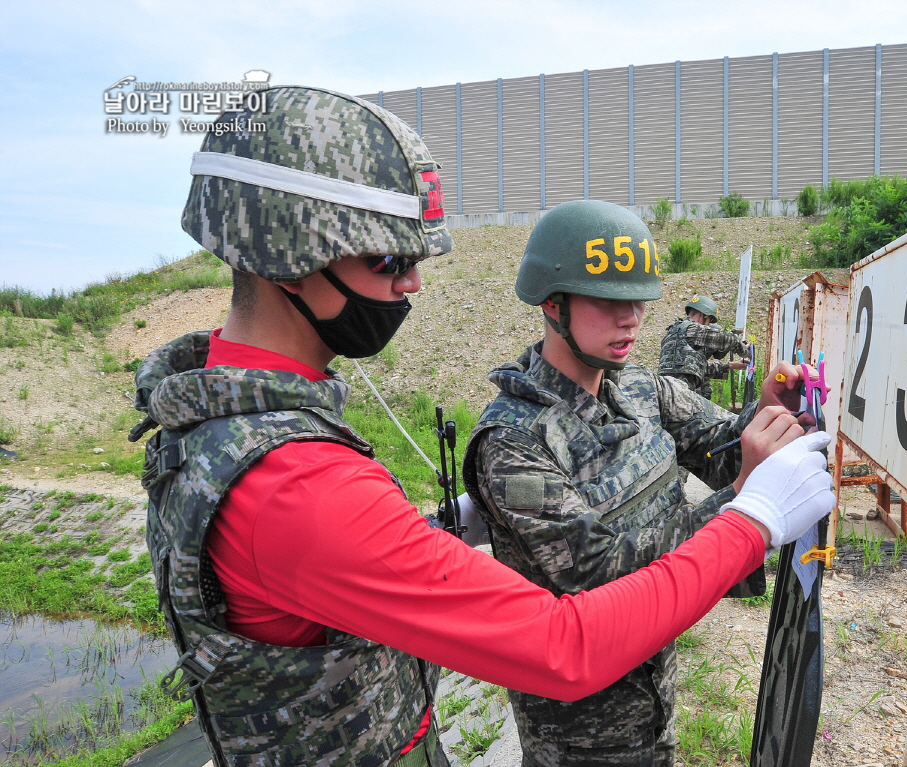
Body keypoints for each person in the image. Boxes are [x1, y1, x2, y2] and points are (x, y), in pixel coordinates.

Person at [136, 86, 836, 767]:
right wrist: (753, 516)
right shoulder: (298, 484)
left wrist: (410, 544)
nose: (411, 284)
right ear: (289, 253)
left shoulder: (223, 423)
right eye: (388, 259)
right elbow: (565, 645)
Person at [461, 200, 819, 767]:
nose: (630, 318)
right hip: (580, 731)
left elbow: (721, 444)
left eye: (638, 301)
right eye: (609, 301)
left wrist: (766, 411)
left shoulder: (640, 390)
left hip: (655, 693)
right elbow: (605, 579)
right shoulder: (514, 441)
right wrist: (745, 500)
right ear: (554, 305)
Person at [658, 295, 751, 401]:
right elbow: (730, 339)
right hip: (681, 398)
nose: (708, 326)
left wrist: (731, 365)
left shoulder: (672, 333)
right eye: (709, 321)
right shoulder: (692, 329)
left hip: (665, 395)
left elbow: (698, 366)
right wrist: (746, 352)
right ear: (703, 315)